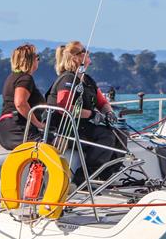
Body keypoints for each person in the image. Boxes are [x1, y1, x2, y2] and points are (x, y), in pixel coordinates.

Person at [47, 41, 123, 184]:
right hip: (64, 130)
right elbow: (64, 107)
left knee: (119, 134)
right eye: (84, 51)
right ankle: (85, 179)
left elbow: (102, 102)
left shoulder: (87, 80)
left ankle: (106, 175)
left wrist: (109, 113)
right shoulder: (68, 78)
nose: (88, 53)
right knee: (105, 136)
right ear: (76, 57)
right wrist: (91, 115)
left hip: (81, 127)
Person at [0, 44, 46, 150]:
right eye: (37, 58)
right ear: (30, 60)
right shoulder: (25, 78)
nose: (38, 60)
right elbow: (20, 103)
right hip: (18, 129)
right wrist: (38, 124)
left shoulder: (11, 77)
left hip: (4, 130)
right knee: (57, 141)